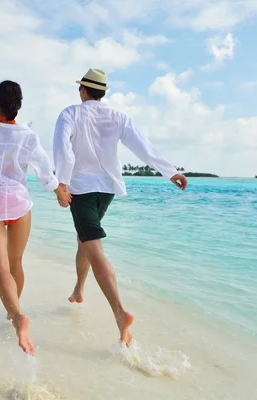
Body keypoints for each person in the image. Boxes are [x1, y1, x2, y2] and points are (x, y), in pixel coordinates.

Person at [52, 68, 188, 347]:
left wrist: (62, 183)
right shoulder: (118, 117)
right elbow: (142, 145)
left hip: (82, 188)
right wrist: (169, 171)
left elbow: (63, 149)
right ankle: (79, 289)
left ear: (83, 91)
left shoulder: (70, 114)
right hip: (108, 190)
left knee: (94, 247)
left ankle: (119, 312)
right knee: (84, 240)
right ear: (102, 93)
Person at [0, 80, 71, 356]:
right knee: (16, 263)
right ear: (18, 105)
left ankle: (16, 316)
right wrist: (60, 193)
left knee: (0, 269)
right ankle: (14, 313)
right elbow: (45, 172)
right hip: (19, 203)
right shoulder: (28, 136)